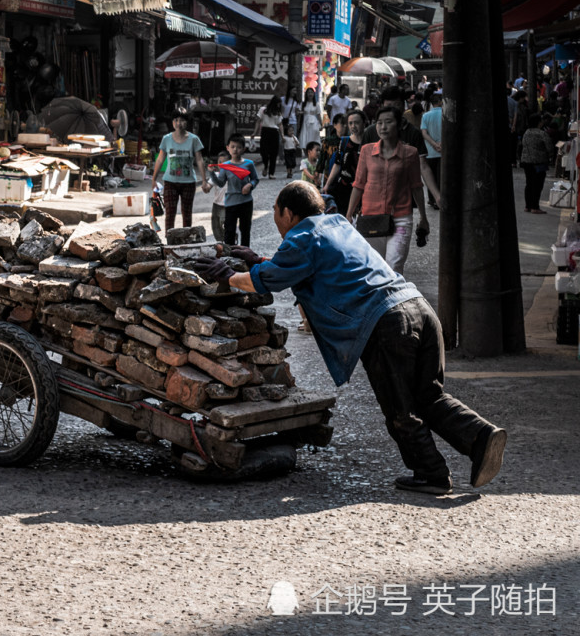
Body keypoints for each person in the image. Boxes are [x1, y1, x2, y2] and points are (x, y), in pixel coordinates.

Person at [192, 181, 507, 495]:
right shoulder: (336, 224)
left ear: (288, 213)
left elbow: (269, 281)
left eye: (275, 212)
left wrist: (228, 274)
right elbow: (296, 268)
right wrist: (259, 260)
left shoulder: (302, 236)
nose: (276, 219)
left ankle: (432, 473)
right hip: (419, 309)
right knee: (429, 396)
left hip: (386, 323)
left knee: (400, 408)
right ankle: (481, 437)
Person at [348, 107, 428, 275]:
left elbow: (416, 186)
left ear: (399, 125)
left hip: (400, 218)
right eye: (379, 123)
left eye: (388, 122)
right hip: (371, 218)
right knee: (374, 268)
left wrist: (423, 217)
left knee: (394, 267)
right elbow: (359, 184)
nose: (383, 127)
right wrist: (349, 215)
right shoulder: (367, 151)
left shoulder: (410, 153)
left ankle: (393, 300)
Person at [363, 86, 442, 209]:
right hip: (373, 200)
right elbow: (361, 171)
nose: (393, 109)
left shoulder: (413, 133)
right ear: (382, 106)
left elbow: (423, 166)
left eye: (397, 105)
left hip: (403, 200)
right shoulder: (370, 132)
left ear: (403, 105)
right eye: (389, 105)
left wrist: (437, 195)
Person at [151, 110, 211, 231]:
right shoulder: (166, 139)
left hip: (188, 182)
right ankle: (169, 242)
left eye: (182, 120)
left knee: (187, 214)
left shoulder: (194, 139)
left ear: (187, 123)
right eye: (176, 120)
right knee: (170, 213)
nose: (179, 123)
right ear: (173, 123)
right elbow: (160, 159)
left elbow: (199, 160)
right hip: (170, 182)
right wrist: (154, 178)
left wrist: (204, 180)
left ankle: (187, 241)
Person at [208, 134, 260, 245]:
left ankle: (246, 254)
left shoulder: (248, 164)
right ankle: (229, 256)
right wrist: (212, 173)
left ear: (243, 149)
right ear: (228, 148)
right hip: (231, 202)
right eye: (232, 146)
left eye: (239, 147)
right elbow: (221, 183)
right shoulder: (225, 166)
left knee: (245, 230)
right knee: (229, 231)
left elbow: (255, 179)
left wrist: (250, 185)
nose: (235, 149)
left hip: (246, 202)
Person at [322, 110, 365, 216]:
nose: (353, 126)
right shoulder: (344, 141)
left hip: (363, 189)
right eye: (350, 123)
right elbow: (337, 164)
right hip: (344, 188)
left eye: (357, 122)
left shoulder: (369, 142)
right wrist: (327, 184)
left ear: (364, 123)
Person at [520, 113, 554, 214]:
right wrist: (550, 155)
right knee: (537, 185)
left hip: (526, 162)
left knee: (529, 184)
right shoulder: (541, 133)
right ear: (539, 122)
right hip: (539, 162)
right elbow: (550, 147)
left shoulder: (526, 132)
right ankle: (535, 207)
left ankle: (528, 206)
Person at [420, 92, 443, 210]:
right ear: (440, 101)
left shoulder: (426, 116)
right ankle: (441, 199)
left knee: (430, 176)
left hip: (430, 151)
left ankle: (432, 200)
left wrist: (433, 144)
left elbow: (424, 133)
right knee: (441, 177)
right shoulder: (445, 115)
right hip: (444, 151)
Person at [253, 96, 284, 179]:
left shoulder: (278, 112)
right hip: (265, 131)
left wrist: (282, 136)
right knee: (264, 152)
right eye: (278, 104)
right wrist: (254, 133)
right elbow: (258, 121)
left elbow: (280, 124)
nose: (279, 105)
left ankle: (271, 173)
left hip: (275, 132)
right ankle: (266, 165)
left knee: (274, 154)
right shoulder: (263, 109)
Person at [315, 114, 347, 187]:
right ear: (335, 125)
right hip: (329, 174)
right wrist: (318, 172)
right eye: (342, 123)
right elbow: (322, 158)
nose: (345, 126)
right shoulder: (328, 141)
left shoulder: (349, 140)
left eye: (346, 124)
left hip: (345, 175)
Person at [210, 149, 231, 242]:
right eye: (220, 162)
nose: (222, 165)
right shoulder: (216, 175)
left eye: (225, 162)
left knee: (226, 225)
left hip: (228, 205)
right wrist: (204, 186)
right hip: (216, 204)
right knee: (215, 226)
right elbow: (208, 186)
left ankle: (228, 242)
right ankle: (221, 242)